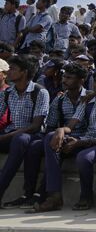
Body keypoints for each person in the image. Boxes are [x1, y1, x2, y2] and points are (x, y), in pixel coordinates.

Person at [33, 69, 96, 212]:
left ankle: (86, 196)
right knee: (51, 137)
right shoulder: (87, 102)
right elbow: (71, 125)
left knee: (83, 158)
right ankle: (54, 195)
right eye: (95, 81)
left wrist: (79, 143)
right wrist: (61, 130)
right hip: (85, 139)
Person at [0, 55, 49, 208]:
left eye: (13, 69)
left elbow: (36, 125)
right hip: (13, 134)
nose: (8, 72)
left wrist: (6, 136)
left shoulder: (40, 92)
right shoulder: (7, 93)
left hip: (34, 135)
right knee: (18, 140)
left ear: (24, 72)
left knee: (20, 140)